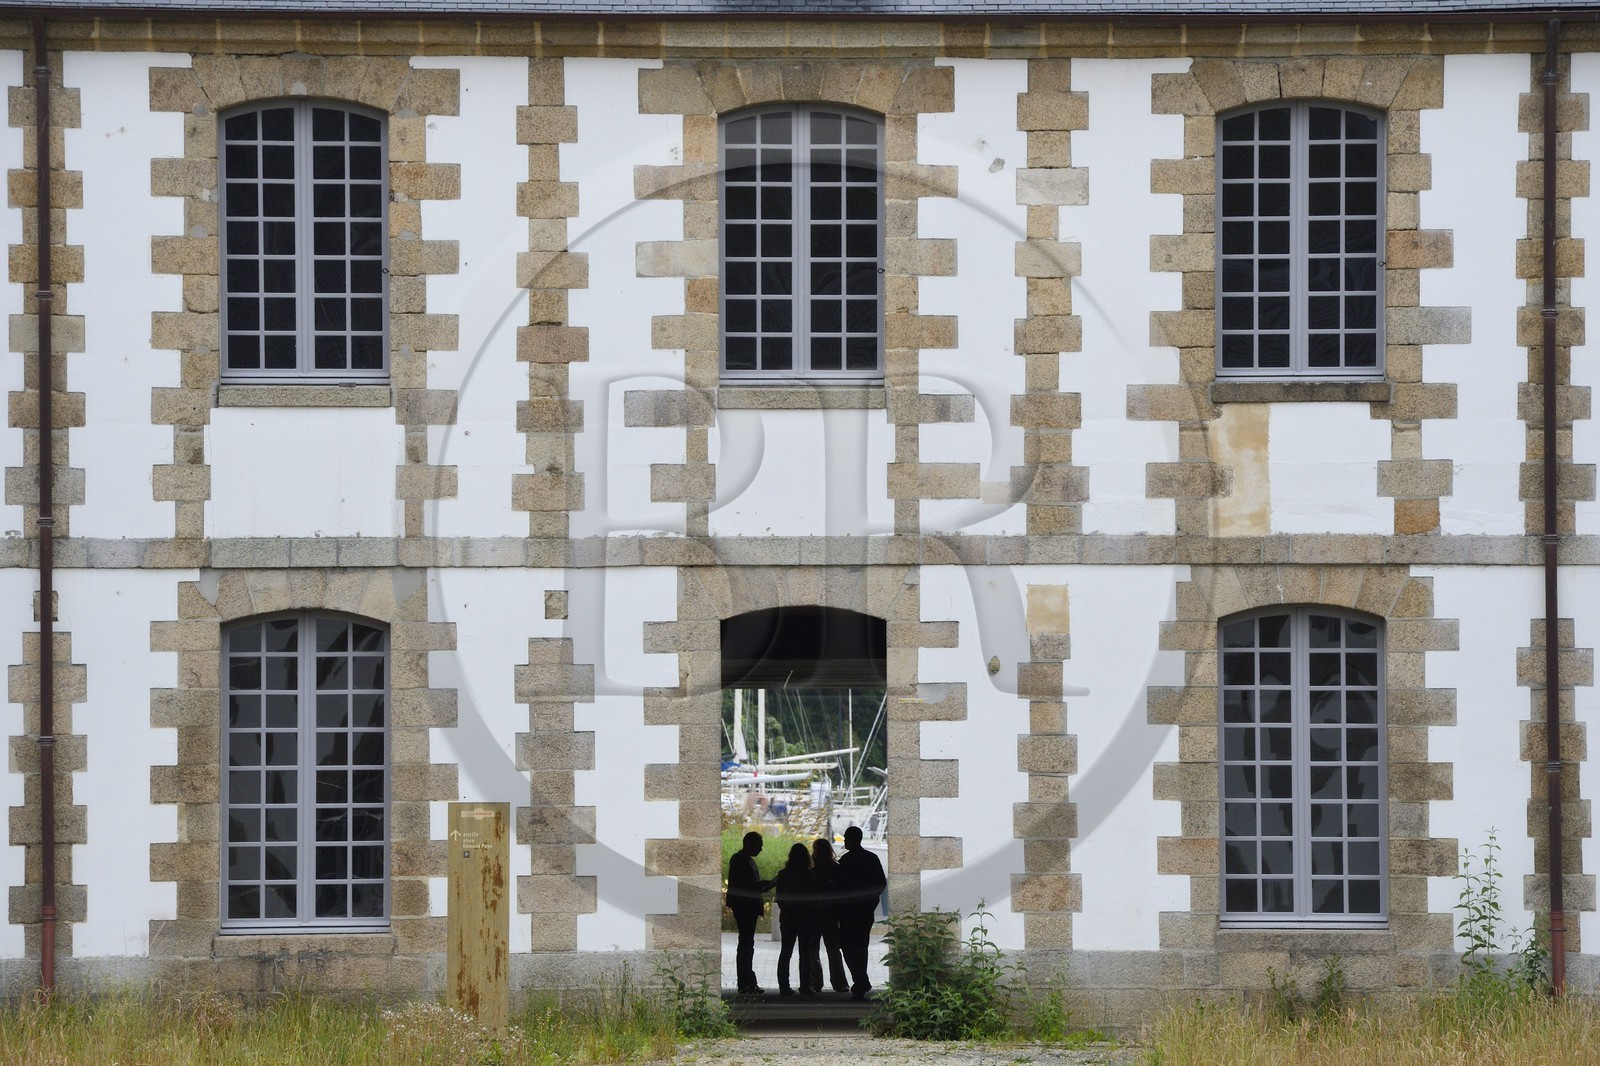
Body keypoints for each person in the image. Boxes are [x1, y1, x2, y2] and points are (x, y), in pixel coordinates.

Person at [834, 824, 886, 1000]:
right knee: (861, 947)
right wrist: (870, 902)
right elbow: (880, 884)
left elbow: (838, 888)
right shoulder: (871, 859)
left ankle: (860, 979)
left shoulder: (845, 862)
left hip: (848, 911)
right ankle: (861, 980)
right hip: (864, 911)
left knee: (848, 947)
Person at [725, 830, 773, 994]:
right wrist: (762, 885)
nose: (760, 849)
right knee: (746, 944)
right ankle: (745, 982)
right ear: (749, 844)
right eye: (759, 845)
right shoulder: (741, 860)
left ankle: (747, 981)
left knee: (746, 943)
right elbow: (744, 885)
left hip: (745, 906)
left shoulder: (742, 859)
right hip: (745, 906)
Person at [772, 842, 820, 995]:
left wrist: (788, 907)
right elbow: (814, 897)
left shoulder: (783, 874)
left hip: (788, 917)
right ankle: (805, 986)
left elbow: (779, 897)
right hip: (806, 918)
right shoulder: (809, 874)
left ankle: (784, 986)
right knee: (805, 953)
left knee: (786, 952)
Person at [808, 837, 849, 993]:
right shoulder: (836, 869)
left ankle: (815, 982)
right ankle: (839, 983)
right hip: (830, 914)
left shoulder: (811, 871)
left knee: (813, 950)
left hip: (814, 914)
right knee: (833, 950)